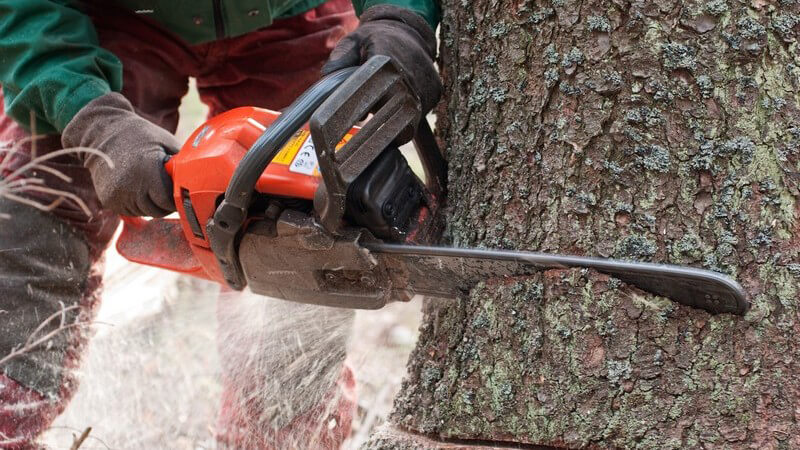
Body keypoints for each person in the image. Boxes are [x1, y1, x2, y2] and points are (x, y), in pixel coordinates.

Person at [0, 0, 441, 448]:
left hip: (289, 17)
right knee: (40, 204)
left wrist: (398, 15)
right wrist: (92, 118)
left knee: (300, 229)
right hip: (110, 20)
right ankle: (7, 414)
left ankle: (279, 433)